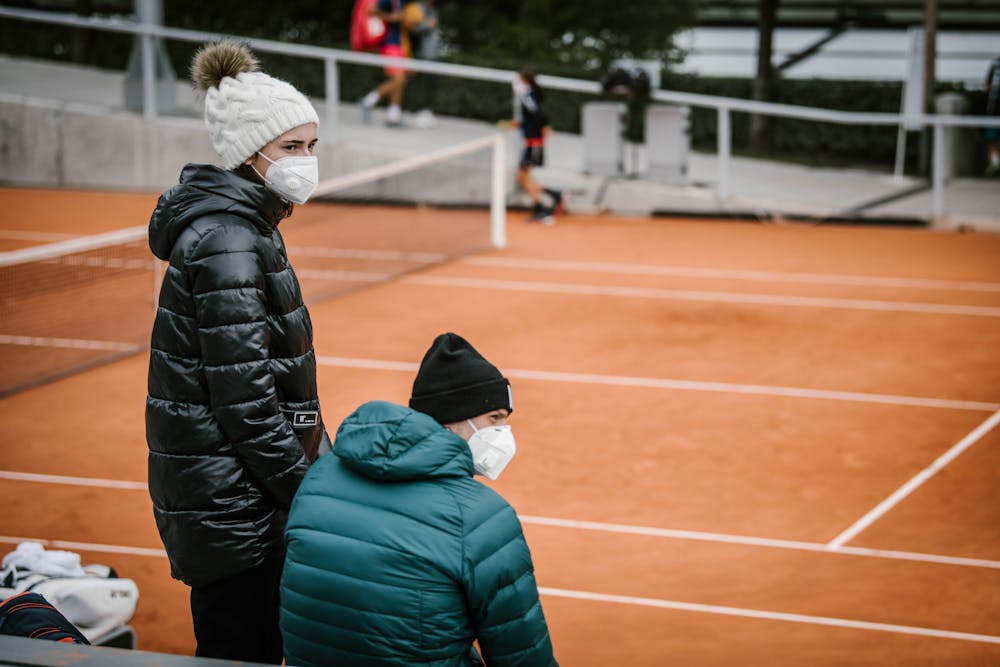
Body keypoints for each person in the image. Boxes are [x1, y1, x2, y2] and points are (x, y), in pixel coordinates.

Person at [145, 40, 329, 664]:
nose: (307, 161)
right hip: (235, 509)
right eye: (292, 147)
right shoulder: (228, 239)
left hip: (242, 499)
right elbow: (245, 399)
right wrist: (309, 491)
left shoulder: (247, 227)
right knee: (240, 649)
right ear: (250, 153)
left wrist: (317, 459)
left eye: (311, 146)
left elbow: (277, 383)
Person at [280, 332, 558, 667]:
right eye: (495, 418)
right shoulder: (482, 519)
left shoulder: (320, 479)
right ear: (454, 417)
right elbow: (523, 654)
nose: (504, 435)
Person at [502, 71, 564, 224]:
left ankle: (542, 208)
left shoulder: (528, 96)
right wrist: (519, 124)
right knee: (522, 176)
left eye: (519, 81)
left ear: (526, 81)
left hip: (534, 143)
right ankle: (554, 195)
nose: (517, 84)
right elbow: (533, 118)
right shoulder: (528, 96)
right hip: (531, 142)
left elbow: (540, 115)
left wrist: (545, 127)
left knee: (522, 176)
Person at [359, 0, 413, 127]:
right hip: (390, 44)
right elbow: (371, 9)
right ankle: (369, 101)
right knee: (399, 79)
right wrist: (390, 17)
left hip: (399, 45)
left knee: (400, 81)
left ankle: (393, 116)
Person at [406, 0, 441, 128]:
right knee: (422, 84)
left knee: (431, 84)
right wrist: (428, 25)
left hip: (433, 54)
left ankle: (426, 111)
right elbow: (412, 28)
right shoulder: (416, 7)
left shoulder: (431, 9)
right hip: (423, 54)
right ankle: (417, 112)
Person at [985, 56, 1000, 176]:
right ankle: (995, 163)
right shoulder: (995, 63)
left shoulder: (995, 63)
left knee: (992, 138)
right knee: (992, 138)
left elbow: (987, 85)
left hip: (993, 109)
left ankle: (995, 162)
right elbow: (987, 84)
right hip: (993, 109)